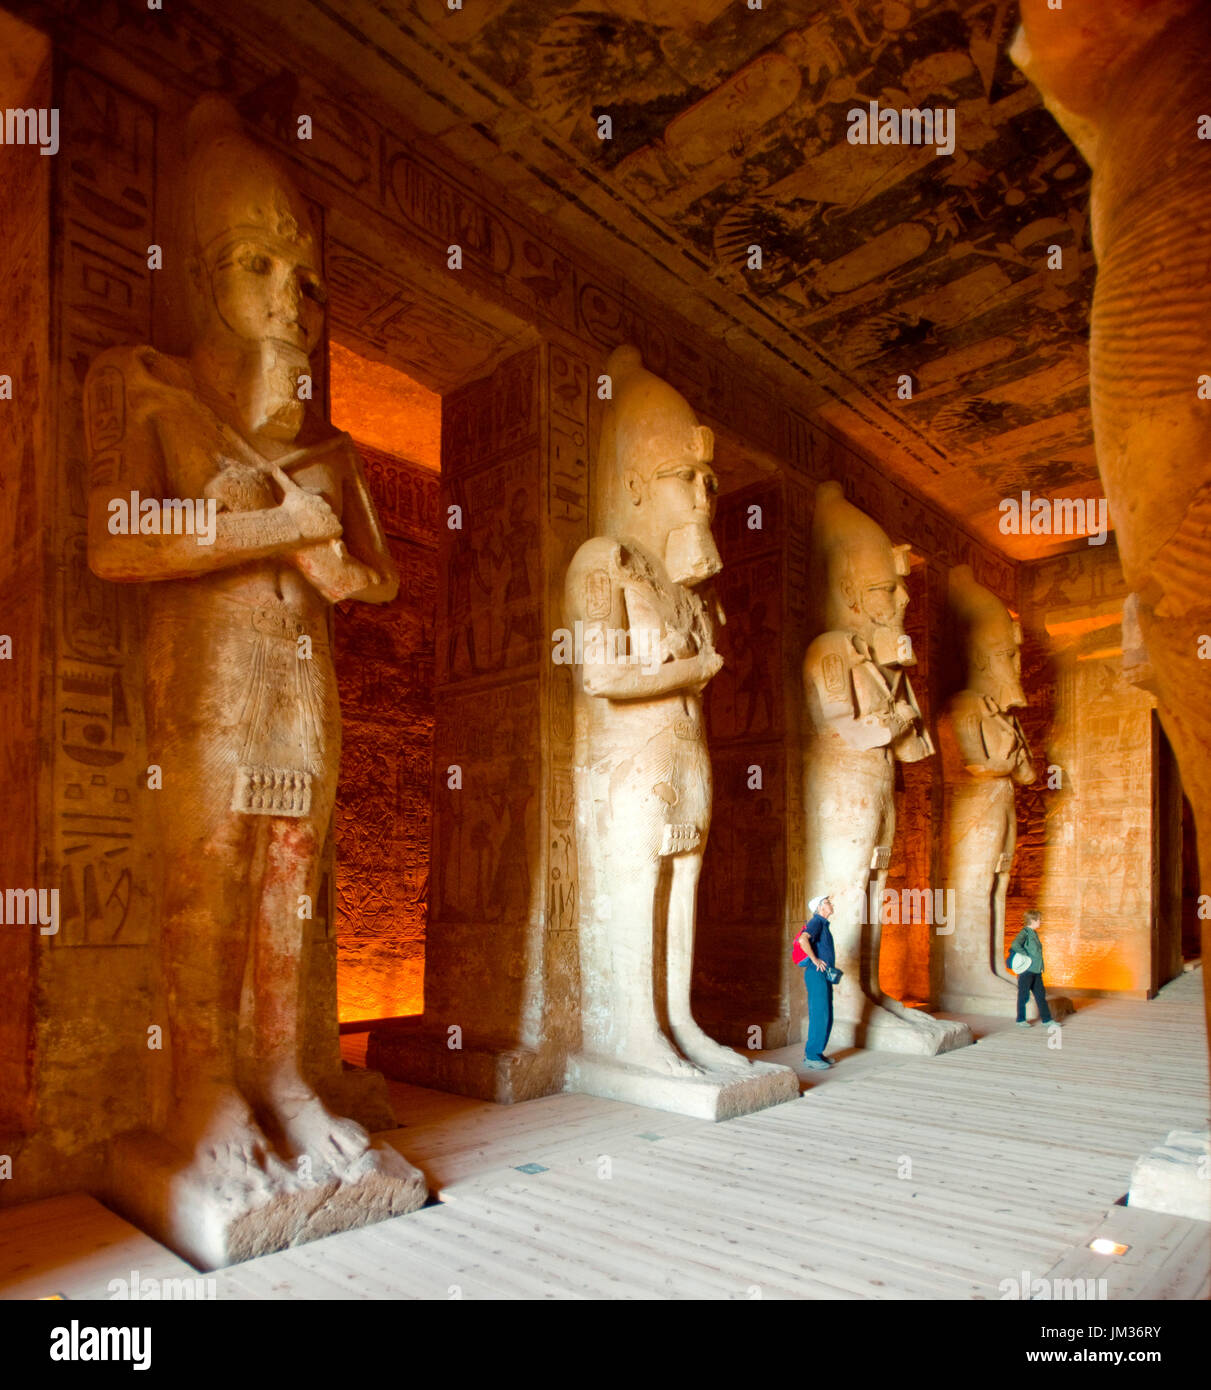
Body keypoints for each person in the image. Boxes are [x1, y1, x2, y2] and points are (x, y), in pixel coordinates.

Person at [795, 894, 836, 1069]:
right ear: (819, 908)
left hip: (823, 974)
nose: (830, 904)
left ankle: (817, 1053)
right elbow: (803, 940)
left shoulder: (823, 924)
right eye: (827, 903)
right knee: (820, 1013)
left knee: (827, 1014)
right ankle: (811, 1056)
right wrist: (815, 960)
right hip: (816, 973)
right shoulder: (816, 922)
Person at [1008, 909, 1057, 1028]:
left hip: (1036, 971)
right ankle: (1020, 1020)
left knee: (1040, 996)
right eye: (1039, 919)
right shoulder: (1025, 932)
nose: (1040, 921)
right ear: (1033, 920)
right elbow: (1015, 945)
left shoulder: (1033, 933)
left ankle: (1047, 1020)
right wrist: (1026, 955)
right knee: (1023, 995)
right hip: (1027, 971)